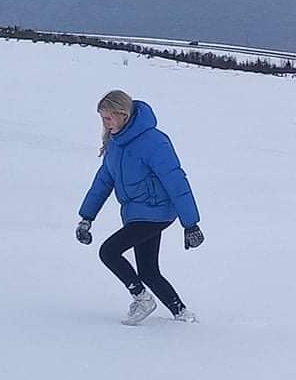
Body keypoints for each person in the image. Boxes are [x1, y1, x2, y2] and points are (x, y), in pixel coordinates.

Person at [76, 90, 204, 325]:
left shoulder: (154, 142)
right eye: (102, 118)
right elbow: (102, 182)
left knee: (109, 251)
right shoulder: (115, 145)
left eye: (108, 118)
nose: (105, 124)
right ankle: (182, 314)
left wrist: (191, 224)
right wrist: (86, 218)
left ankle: (142, 299)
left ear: (123, 115)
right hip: (136, 215)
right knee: (148, 271)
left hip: (157, 212)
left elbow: (176, 180)